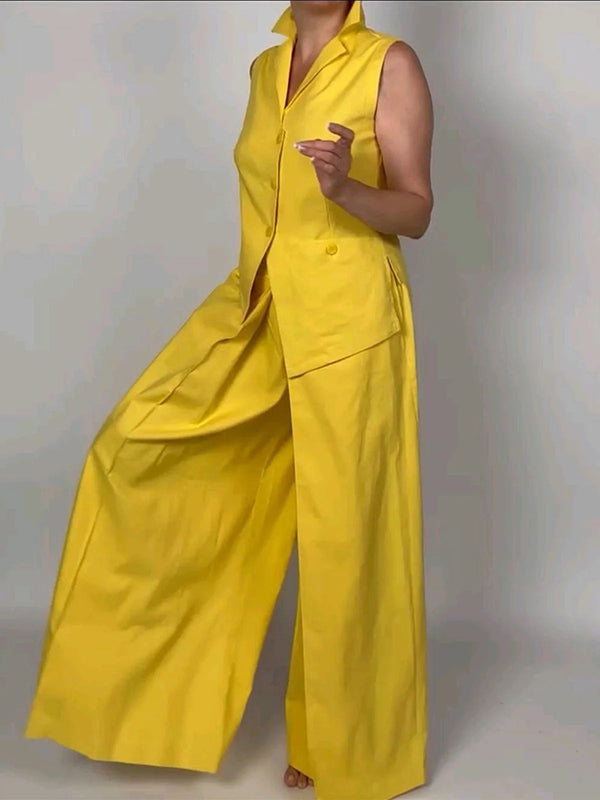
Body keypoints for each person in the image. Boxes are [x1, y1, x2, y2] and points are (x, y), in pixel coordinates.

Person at [24, 2, 434, 799]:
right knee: (131, 449)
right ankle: (140, 699)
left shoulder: (390, 63)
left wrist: (345, 187)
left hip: (350, 323)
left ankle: (345, 747)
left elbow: (416, 209)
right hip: (258, 311)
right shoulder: (263, 70)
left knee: (347, 537)